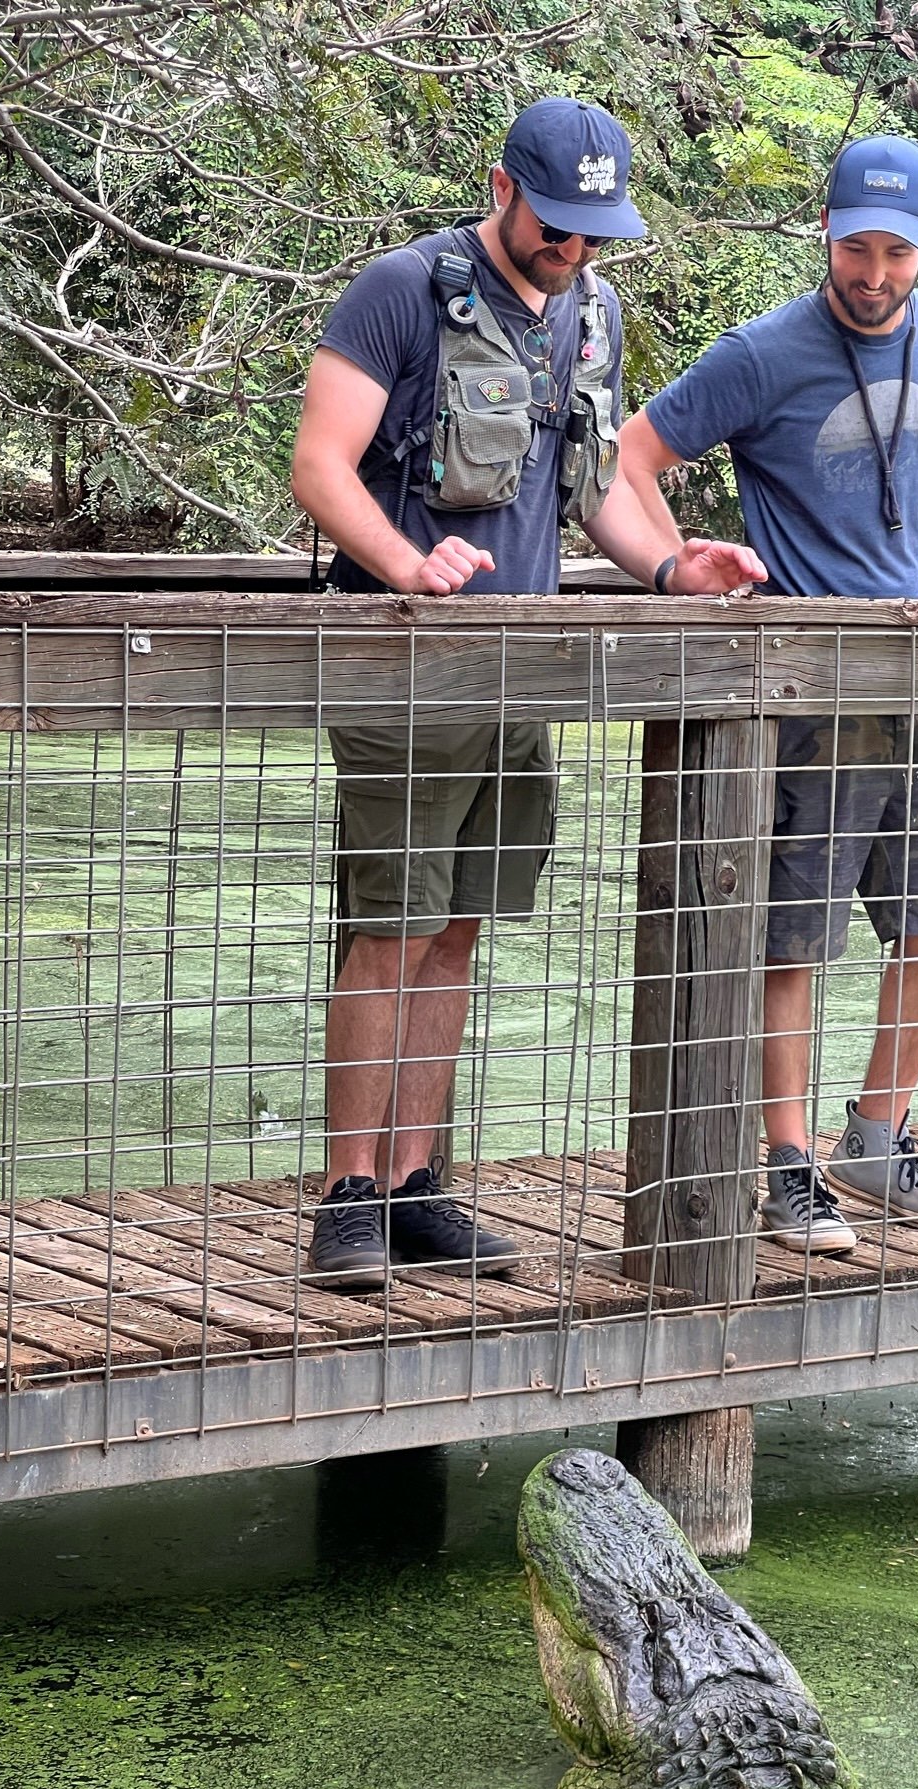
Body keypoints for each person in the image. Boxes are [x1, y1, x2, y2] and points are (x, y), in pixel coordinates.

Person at [292, 98, 764, 1284]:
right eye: (559, 225)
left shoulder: (589, 311)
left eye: (596, 231)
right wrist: (410, 566)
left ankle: (414, 1184)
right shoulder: (400, 290)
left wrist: (667, 567)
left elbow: (590, 482)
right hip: (403, 663)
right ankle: (348, 1194)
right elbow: (317, 464)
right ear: (502, 186)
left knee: (457, 931)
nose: (577, 250)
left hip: (522, 669)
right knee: (388, 928)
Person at [620, 136, 918, 1252]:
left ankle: (877, 1140)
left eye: (896, 251)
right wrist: (674, 573)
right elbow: (629, 456)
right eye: (856, 248)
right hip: (802, 690)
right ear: (824, 234)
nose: (874, 273)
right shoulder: (764, 353)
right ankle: (786, 1164)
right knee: (792, 938)